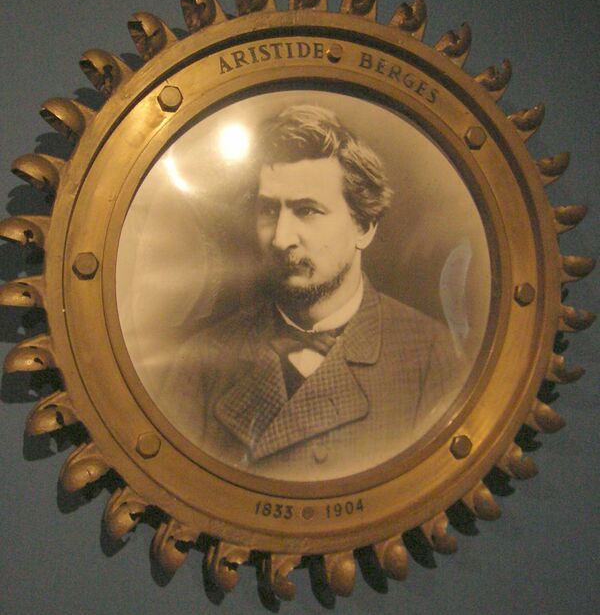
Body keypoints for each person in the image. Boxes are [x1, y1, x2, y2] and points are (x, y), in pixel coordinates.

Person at [163, 105, 464, 480]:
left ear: (364, 226)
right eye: (269, 211)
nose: (281, 238)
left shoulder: (434, 358)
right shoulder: (199, 360)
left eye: (307, 211)